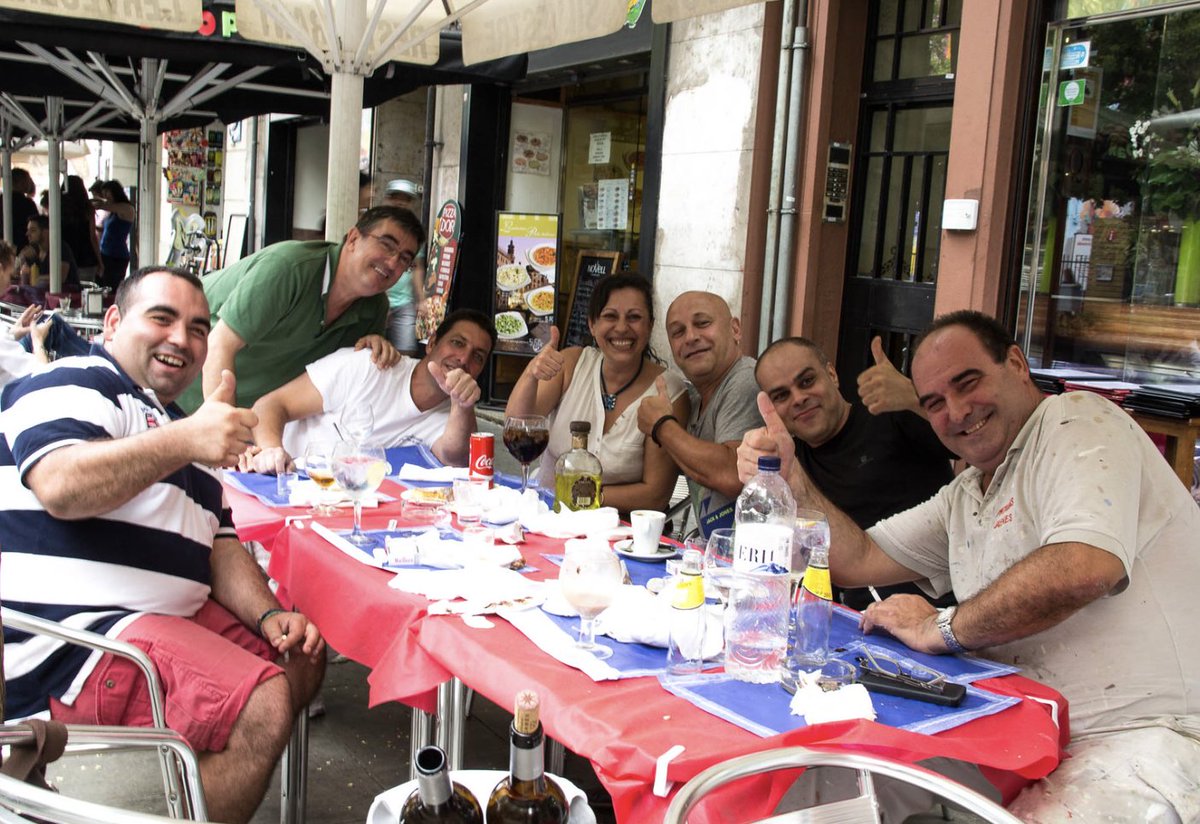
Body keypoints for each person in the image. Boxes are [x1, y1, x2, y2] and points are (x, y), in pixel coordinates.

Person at [738, 310, 1200, 819]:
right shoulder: (968, 493)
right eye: (935, 402)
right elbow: (858, 558)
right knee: (830, 788)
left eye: (968, 382)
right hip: (1019, 736)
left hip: (1147, 741)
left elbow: (1084, 566)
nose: (957, 411)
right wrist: (789, 478)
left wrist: (943, 626)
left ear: (1017, 364)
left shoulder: (1079, 421)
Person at [0, 266, 326, 824]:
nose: (182, 338)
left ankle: (197, 792)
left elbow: (221, 545)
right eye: (162, 318)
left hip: (158, 623)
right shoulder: (78, 379)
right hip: (77, 637)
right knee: (260, 703)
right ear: (112, 323)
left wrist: (270, 612)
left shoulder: (176, 425)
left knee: (300, 658)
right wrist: (185, 438)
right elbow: (59, 485)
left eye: (198, 328)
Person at [753, 335, 956, 609]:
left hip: (934, 610)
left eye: (807, 381)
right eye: (781, 395)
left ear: (832, 375)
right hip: (845, 619)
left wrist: (914, 398)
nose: (799, 398)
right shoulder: (790, 461)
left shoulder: (892, 414)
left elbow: (971, 444)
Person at [174, 205, 423, 414]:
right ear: (354, 239)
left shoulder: (375, 307)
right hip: (177, 393)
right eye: (387, 245)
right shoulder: (288, 269)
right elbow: (220, 344)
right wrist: (221, 427)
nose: (392, 263)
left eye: (404, 259)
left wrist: (373, 350)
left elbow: (337, 380)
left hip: (248, 417)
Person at [506, 273, 689, 514]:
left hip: (621, 534)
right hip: (547, 518)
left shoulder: (669, 393)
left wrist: (576, 494)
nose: (622, 328)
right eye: (610, 316)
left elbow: (654, 495)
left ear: (650, 325)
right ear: (592, 324)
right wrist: (532, 373)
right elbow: (516, 425)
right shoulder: (571, 364)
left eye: (634, 317)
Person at [241, 308, 496, 472]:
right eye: (457, 343)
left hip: (344, 507)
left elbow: (456, 458)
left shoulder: (452, 417)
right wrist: (270, 451)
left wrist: (462, 405)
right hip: (280, 480)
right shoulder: (371, 364)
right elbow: (271, 405)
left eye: (478, 357)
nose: (464, 358)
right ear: (431, 344)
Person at [636, 290, 761, 536]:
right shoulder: (692, 398)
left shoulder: (747, 380)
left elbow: (732, 474)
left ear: (735, 329)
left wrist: (661, 425)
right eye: (677, 332)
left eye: (702, 323)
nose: (691, 337)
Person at [380, 179, 428, 355]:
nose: (400, 202)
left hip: (404, 303)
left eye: (405, 199)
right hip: (376, 300)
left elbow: (417, 267)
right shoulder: (378, 227)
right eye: (395, 197)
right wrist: (379, 302)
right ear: (387, 199)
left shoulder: (415, 233)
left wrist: (421, 299)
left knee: (406, 352)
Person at [91, 179, 135, 289]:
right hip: (105, 254)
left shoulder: (127, 208)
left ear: (115, 192)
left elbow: (102, 205)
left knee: (111, 287)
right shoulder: (113, 211)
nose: (105, 196)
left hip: (117, 256)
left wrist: (92, 203)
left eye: (107, 193)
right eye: (104, 193)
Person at [19, 214, 77, 290]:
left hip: (67, 295)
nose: (27, 234)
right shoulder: (34, 251)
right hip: (41, 295)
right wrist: (23, 259)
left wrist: (36, 278)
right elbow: (22, 275)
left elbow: (60, 277)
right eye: (28, 230)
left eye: (33, 230)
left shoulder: (60, 248)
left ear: (45, 231)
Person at [61, 175, 102, 283]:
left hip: (64, 257)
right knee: (85, 291)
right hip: (86, 257)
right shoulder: (87, 208)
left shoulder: (58, 208)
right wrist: (100, 261)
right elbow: (92, 237)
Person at [3, 168, 40, 251]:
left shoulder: (2, 200)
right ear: (20, 182)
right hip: (22, 246)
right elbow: (37, 225)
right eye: (27, 180)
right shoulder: (27, 203)